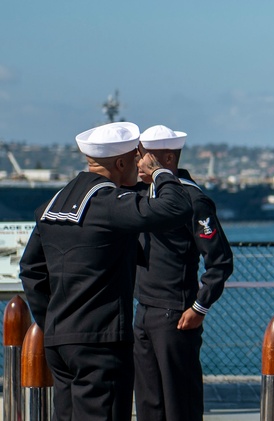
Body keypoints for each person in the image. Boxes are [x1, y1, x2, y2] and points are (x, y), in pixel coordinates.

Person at [19, 122, 193, 421]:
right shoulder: (107, 202)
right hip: (101, 342)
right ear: (122, 162)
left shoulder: (52, 204)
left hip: (60, 342)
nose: (139, 165)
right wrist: (159, 171)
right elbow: (176, 208)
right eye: (136, 159)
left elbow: (31, 270)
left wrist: (53, 323)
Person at [132, 125, 234, 421]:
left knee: (180, 404)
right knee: (149, 404)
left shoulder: (192, 199)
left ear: (165, 157)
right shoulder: (142, 197)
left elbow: (220, 260)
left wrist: (199, 307)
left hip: (175, 314)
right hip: (144, 310)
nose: (139, 162)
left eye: (144, 155)